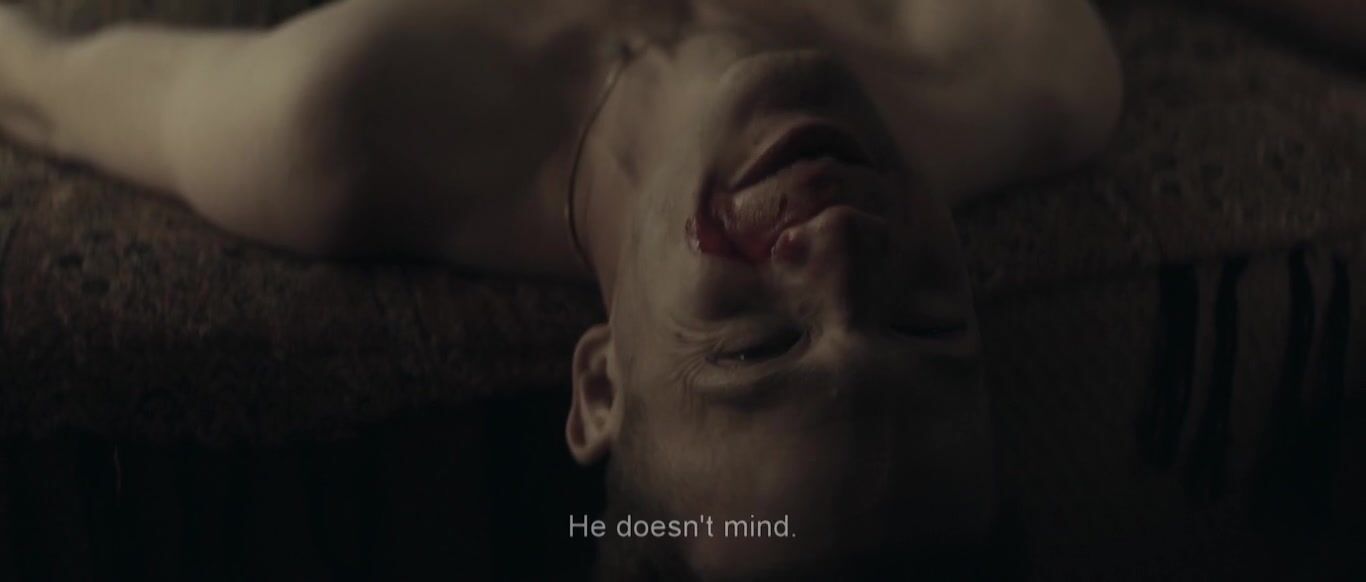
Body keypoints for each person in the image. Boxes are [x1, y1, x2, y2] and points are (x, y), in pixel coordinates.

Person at [0, 0, 1125, 578]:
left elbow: (35, 81)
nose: (838, 248)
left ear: (598, 386)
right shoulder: (1031, 72)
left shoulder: (340, 124)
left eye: (756, 350)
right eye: (926, 321)